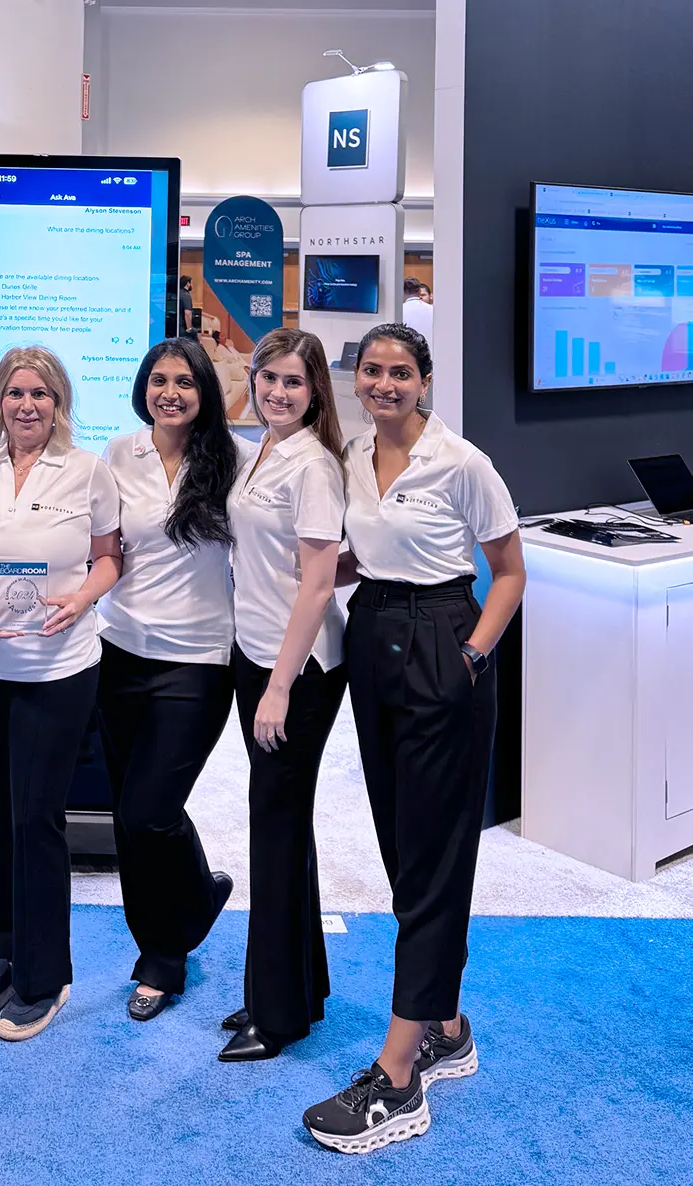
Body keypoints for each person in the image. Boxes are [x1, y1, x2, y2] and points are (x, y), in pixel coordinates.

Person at [302, 323, 524, 1153]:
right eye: (374, 372)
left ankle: (399, 1078)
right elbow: (360, 558)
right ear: (357, 381)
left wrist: (469, 656)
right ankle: (448, 1022)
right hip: (374, 636)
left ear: (425, 380)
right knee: (402, 843)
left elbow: (509, 571)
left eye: (402, 372)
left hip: (443, 640)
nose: (386, 384)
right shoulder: (350, 459)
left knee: (434, 856)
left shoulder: (462, 462)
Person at [0, 345, 122, 1042]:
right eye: (16, 393)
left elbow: (110, 556)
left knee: (37, 816)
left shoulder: (88, 472)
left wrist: (80, 599)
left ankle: (46, 977)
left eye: (41, 394)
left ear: (59, 403)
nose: (28, 405)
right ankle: (5, 952)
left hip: (59, 669)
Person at [96, 337, 240, 1021]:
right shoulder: (119, 454)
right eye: (159, 380)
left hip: (198, 660)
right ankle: (180, 916)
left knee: (147, 810)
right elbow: (103, 548)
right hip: (119, 650)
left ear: (205, 391)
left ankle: (167, 953)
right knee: (132, 821)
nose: (171, 392)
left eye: (185, 381)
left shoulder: (232, 461)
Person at [218, 328, 348, 1063]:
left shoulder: (315, 466)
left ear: (315, 389)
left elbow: (319, 583)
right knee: (285, 828)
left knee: (272, 830)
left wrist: (277, 686)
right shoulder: (262, 448)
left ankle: (278, 1016)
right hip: (256, 654)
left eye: (293, 383)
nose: (277, 392)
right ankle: (296, 988)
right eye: (268, 379)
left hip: (294, 672)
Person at [401, 277, 433, 352]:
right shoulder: (433, 310)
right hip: (431, 352)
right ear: (419, 291)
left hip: (407, 352)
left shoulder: (399, 311)